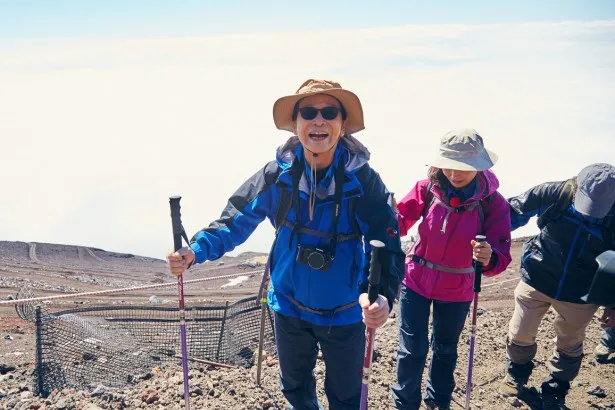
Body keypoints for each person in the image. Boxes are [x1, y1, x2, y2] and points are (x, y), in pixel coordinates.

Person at [167, 79, 404, 410]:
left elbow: (387, 243)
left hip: (347, 310)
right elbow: (235, 220)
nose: (318, 121)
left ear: (342, 124)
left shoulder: (362, 180)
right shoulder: (278, 174)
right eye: (308, 112)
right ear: (295, 123)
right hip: (289, 309)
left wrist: (383, 296)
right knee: (295, 390)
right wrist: (195, 250)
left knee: (346, 397)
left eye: (329, 112)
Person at [392, 129, 512, 410]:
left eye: (464, 168)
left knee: (445, 350)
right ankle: (404, 404)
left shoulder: (494, 203)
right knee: (412, 349)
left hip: (458, 288)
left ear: (479, 166)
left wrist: (488, 257)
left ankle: (438, 402)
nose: (455, 174)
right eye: (449, 165)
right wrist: (380, 223)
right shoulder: (426, 188)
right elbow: (398, 221)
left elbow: (501, 254)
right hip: (416, 280)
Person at [499, 163, 615, 410]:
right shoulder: (556, 193)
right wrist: (484, 239)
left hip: (581, 292)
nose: (590, 213)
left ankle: (555, 390)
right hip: (537, 276)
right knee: (520, 332)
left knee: (570, 343)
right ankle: (517, 375)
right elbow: (507, 214)